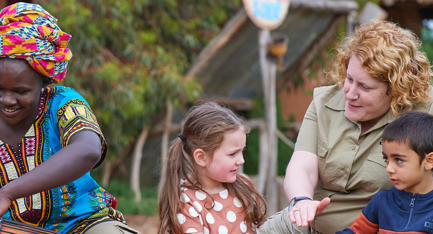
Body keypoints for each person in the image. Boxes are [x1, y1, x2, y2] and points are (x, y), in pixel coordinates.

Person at [0, 3, 136, 234]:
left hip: (84, 225)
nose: (7, 100)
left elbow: (88, 150)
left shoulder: (63, 103)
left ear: (44, 83)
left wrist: (9, 192)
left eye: (21, 91)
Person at [258, 20, 433, 234]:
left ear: (397, 89)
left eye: (364, 87)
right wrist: (302, 200)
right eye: (349, 79)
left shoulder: (424, 112)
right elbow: (302, 165)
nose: (350, 93)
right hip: (307, 223)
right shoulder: (324, 102)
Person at [158, 102, 267, 234]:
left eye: (242, 151)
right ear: (201, 157)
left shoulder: (243, 186)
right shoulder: (186, 202)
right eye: (232, 154)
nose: (241, 160)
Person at [336, 111, 433, 233]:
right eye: (386, 159)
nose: (388, 169)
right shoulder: (382, 201)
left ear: (429, 161)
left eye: (399, 160)